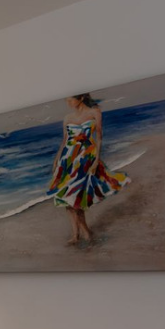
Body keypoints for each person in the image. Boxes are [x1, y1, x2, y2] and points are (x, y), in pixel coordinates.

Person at [47, 93, 129, 245]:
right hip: (68, 160)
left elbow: (99, 138)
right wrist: (57, 159)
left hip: (85, 159)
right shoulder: (67, 118)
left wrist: (96, 160)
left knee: (77, 198)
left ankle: (86, 233)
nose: (68, 103)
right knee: (65, 198)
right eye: (67, 101)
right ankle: (76, 235)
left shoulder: (94, 112)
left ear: (81, 98)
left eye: (70, 100)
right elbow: (65, 141)